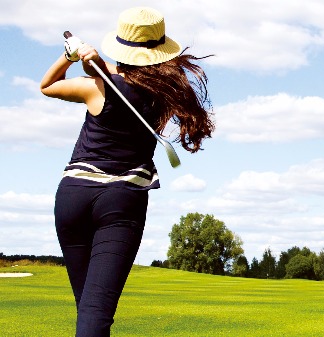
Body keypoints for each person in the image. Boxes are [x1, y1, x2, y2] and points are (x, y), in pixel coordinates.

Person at [40, 7, 214, 336]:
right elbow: (131, 78)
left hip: (72, 196)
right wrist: (97, 64)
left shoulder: (94, 87)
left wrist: (70, 56)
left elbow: (48, 86)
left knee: (88, 310)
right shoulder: (166, 97)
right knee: (95, 311)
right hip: (121, 201)